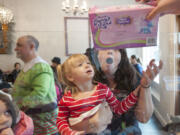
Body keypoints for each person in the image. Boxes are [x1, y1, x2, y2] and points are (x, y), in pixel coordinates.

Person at [56, 54, 159, 135]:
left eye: (88, 62)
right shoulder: (66, 99)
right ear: (70, 77)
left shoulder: (103, 89)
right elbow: (60, 121)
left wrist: (136, 91)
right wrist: (70, 133)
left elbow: (119, 108)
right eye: (80, 65)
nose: (87, 65)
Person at [92, 49, 163, 135]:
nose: (109, 52)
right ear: (96, 55)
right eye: (104, 48)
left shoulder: (134, 77)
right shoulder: (88, 80)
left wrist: (145, 86)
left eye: (115, 49)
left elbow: (143, 118)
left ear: (122, 55)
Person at [12, 35, 59, 135]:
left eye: (19, 45)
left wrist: (14, 106)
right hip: (33, 121)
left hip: (42, 124)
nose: (15, 48)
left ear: (32, 47)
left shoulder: (41, 67)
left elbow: (39, 93)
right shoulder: (30, 65)